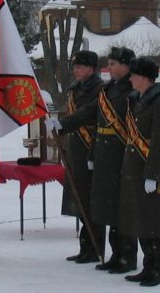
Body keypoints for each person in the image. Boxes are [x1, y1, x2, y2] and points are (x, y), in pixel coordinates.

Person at [54, 46, 138, 274]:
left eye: (112, 64)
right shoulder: (108, 89)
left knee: (121, 207)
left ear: (125, 66)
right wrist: (63, 124)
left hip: (122, 153)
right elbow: (89, 112)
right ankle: (114, 253)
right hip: (103, 154)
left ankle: (126, 255)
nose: (108, 68)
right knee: (108, 204)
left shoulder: (132, 89)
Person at [116, 57, 160, 286]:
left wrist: (152, 174)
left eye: (134, 75)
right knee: (141, 219)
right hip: (135, 171)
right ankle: (148, 266)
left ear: (144, 78)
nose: (130, 79)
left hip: (152, 171)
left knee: (155, 221)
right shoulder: (138, 102)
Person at [56, 50, 105, 263]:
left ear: (91, 69)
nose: (75, 70)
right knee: (81, 202)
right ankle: (86, 247)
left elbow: (87, 114)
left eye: (80, 66)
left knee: (91, 202)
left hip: (90, 150)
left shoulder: (99, 89)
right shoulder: (75, 90)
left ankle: (95, 248)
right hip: (76, 150)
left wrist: (63, 124)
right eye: (74, 66)